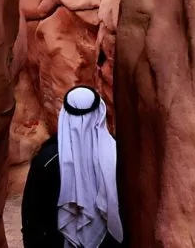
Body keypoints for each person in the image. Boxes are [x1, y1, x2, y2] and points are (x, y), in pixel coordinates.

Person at [21, 86, 124, 248]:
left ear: (64, 115)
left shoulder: (47, 159)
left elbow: (32, 214)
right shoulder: (117, 155)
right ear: (100, 113)